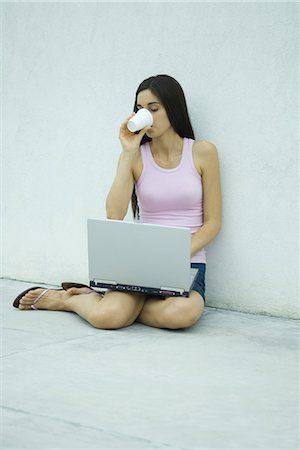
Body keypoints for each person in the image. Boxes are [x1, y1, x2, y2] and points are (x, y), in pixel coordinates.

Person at [13, 75, 222, 330]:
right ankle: (67, 300)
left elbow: (213, 223)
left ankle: (100, 300)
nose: (146, 115)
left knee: (182, 314)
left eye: (154, 109)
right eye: (140, 110)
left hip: (187, 262)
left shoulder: (203, 152)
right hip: (141, 260)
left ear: (173, 107)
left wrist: (174, 255)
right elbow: (114, 214)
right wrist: (128, 152)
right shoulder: (135, 157)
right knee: (107, 319)